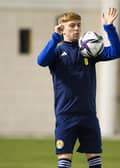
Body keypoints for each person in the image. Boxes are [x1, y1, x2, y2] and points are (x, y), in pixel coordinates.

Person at [37, 7, 120, 168]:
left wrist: (109, 27)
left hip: (88, 116)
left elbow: (116, 51)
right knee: (64, 162)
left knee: (95, 161)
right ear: (62, 28)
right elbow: (41, 61)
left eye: (78, 25)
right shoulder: (57, 51)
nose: (76, 28)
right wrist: (55, 37)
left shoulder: (88, 50)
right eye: (72, 25)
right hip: (65, 116)